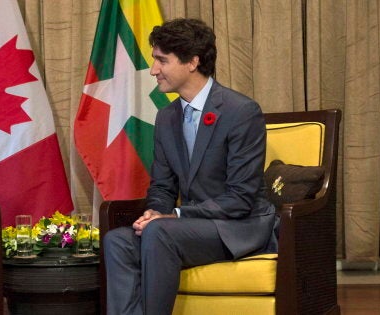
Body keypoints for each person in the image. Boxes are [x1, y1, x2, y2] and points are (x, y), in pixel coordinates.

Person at [103, 18, 278, 315]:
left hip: (237, 227)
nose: (154, 70)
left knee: (160, 233)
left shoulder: (241, 112)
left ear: (192, 62)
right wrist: (154, 211)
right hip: (190, 227)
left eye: (161, 60)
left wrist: (174, 215)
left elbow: (240, 199)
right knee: (117, 241)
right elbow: (162, 186)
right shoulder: (166, 117)